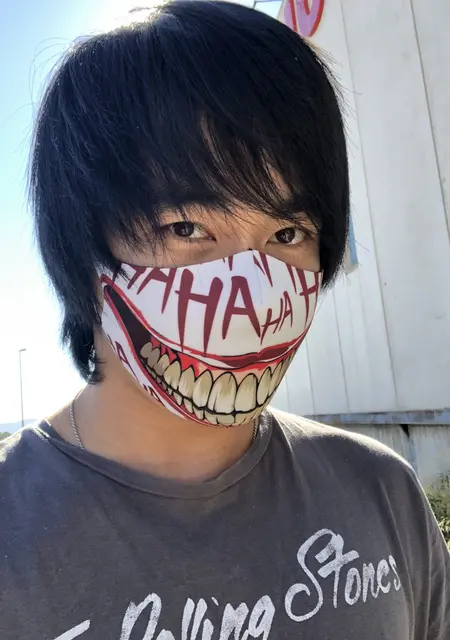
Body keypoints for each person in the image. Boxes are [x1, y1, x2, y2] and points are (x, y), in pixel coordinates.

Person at [1, 1, 448, 638]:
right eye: (186, 228)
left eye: (287, 233)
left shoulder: (383, 492)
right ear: (79, 243)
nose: (252, 292)